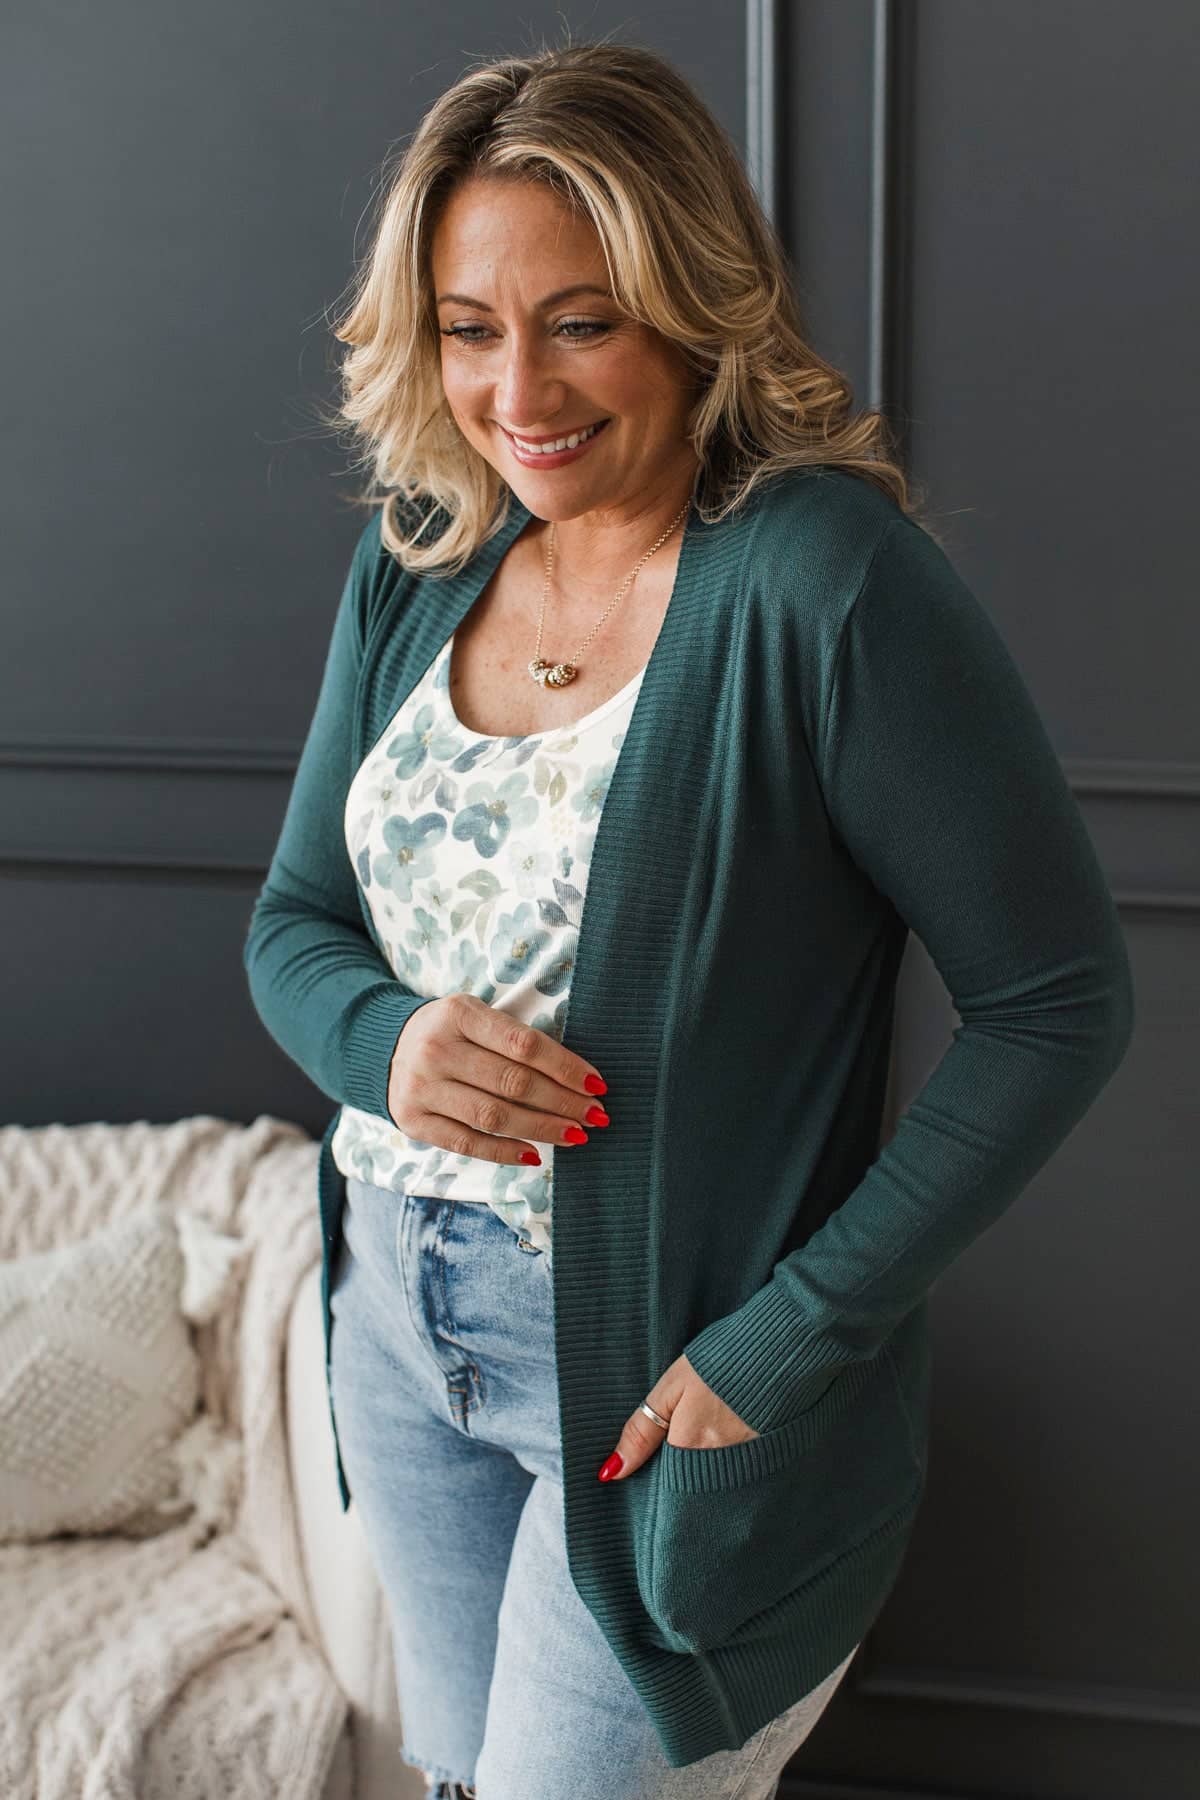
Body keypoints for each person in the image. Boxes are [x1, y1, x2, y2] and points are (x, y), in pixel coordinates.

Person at [242, 38, 1135, 1800]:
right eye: (469, 327)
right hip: (398, 1339)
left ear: (692, 304)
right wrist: (385, 1044)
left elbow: (1057, 1002)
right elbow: (295, 924)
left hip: (658, 1394)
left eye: (580, 321)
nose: (519, 391)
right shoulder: (423, 552)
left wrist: (790, 1338)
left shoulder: (826, 585)